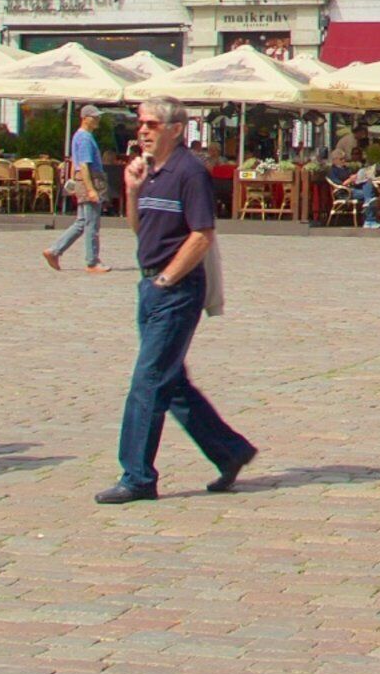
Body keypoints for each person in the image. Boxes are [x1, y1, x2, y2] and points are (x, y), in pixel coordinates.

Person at [94, 97, 254, 503]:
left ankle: (137, 477)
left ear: (176, 129)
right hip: (150, 287)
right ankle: (230, 450)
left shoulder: (189, 172)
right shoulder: (148, 173)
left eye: (151, 124)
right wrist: (130, 192)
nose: (143, 131)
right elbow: (139, 229)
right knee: (172, 382)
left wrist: (167, 279)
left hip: (176, 290)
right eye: (140, 124)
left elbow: (202, 234)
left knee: (147, 381)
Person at [46, 110, 109, 273]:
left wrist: (74, 181)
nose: (98, 119)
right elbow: (84, 165)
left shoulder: (80, 136)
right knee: (91, 223)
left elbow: (76, 164)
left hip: (85, 180)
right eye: (95, 117)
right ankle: (92, 261)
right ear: (85, 119)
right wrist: (90, 189)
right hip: (91, 180)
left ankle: (54, 250)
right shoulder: (85, 138)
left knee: (82, 222)